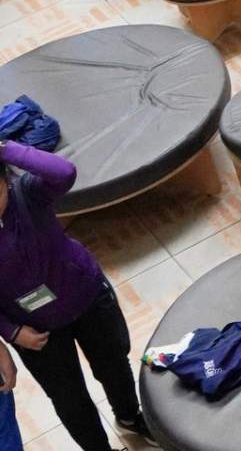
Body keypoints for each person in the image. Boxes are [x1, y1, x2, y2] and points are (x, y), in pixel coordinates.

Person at [0, 140, 151, 451]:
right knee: (70, 400)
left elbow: (64, 172)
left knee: (114, 365)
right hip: (33, 330)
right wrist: (11, 332)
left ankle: (129, 416)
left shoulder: (26, 193)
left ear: (5, 180)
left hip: (86, 296)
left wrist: (4, 147)